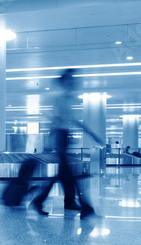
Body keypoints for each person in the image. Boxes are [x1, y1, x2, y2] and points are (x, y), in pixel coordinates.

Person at [31, 69, 103, 219]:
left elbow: (73, 121)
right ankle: (84, 206)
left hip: (63, 136)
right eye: (70, 79)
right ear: (64, 82)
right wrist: (52, 141)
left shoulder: (68, 99)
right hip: (60, 137)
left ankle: (42, 201)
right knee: (67, 173)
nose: (74, 82)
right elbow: (55, 121)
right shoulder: (60, 98)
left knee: (64, 173)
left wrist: (92, 134)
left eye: (73, 79)